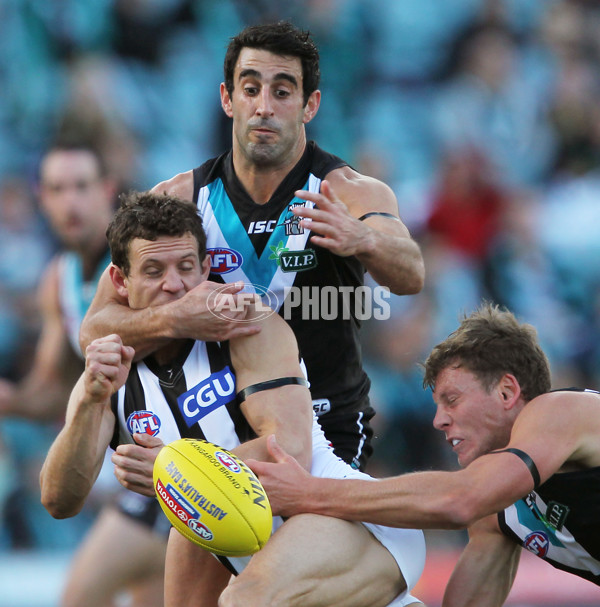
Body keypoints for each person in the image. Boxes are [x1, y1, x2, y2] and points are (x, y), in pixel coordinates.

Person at [40, 190, 426, 607]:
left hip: (350, 522)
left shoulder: (247, 323)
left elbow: (288, 449)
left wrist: (174, 471)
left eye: (186, 267)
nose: (174, 285)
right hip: (263, 557)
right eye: (153, 270)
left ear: (206, 267)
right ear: (120, 281)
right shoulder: (111, 372)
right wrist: (88, 402)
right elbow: (60, 500)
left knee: (243, 600)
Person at [79, 20, 425, 473]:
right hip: (216, 431)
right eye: (250, 89)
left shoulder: (349, 191)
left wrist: (363, 239)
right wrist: (174, 317)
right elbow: (94, 332)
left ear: (309, 105)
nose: (264, 107)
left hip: (323, 430)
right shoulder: (181, 197)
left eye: (282, 92)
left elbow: (411, 273)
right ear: (227, 98)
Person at [249, 302, 600, 603]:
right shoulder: (498, 513)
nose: (438, 421)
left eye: (452, 400)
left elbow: (459, 500)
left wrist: (307, 492)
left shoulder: (561, 411)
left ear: (507, 392)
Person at [0, 141, 170, 607]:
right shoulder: (59, 278)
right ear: (43, 198)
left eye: (81, 186)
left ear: (107, 190)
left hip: (185, 452)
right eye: (57, 189)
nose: (70, 201)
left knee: (80, 596)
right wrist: (10, 400)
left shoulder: (146, 260)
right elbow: (54, 394)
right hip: (142, 469)